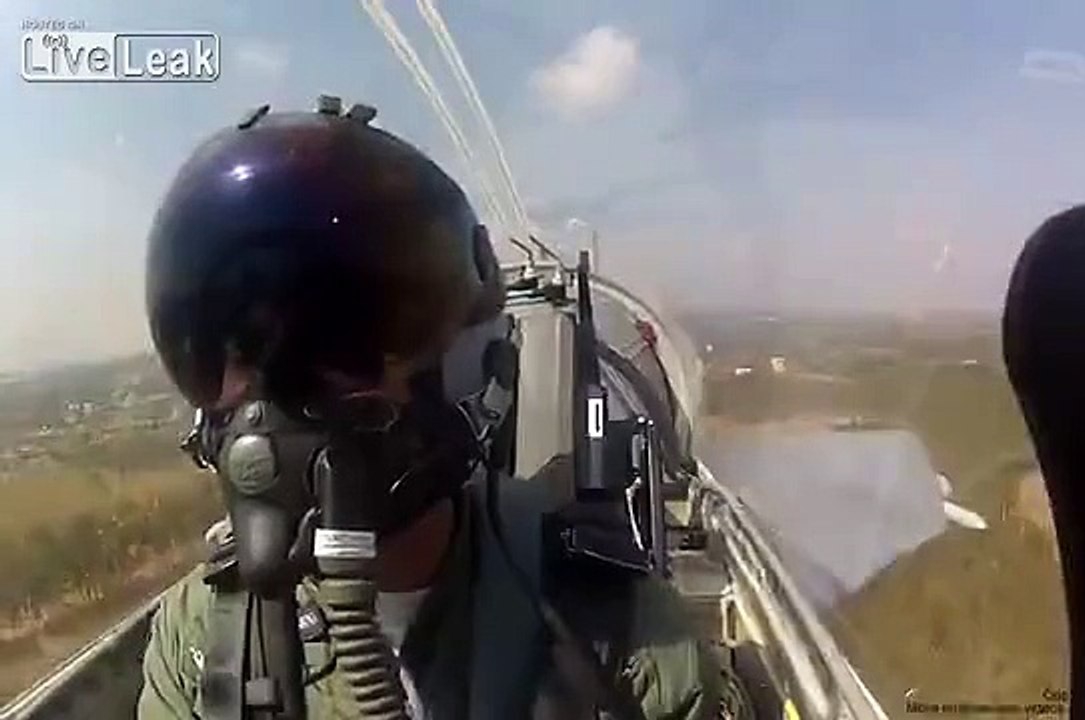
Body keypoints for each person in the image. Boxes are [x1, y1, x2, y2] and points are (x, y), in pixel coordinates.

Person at [135, 98, 739, 719]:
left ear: (464, 365)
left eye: (344, 342)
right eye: (234, 353)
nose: (277, 405)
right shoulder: (203, 642)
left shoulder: (621, 632)